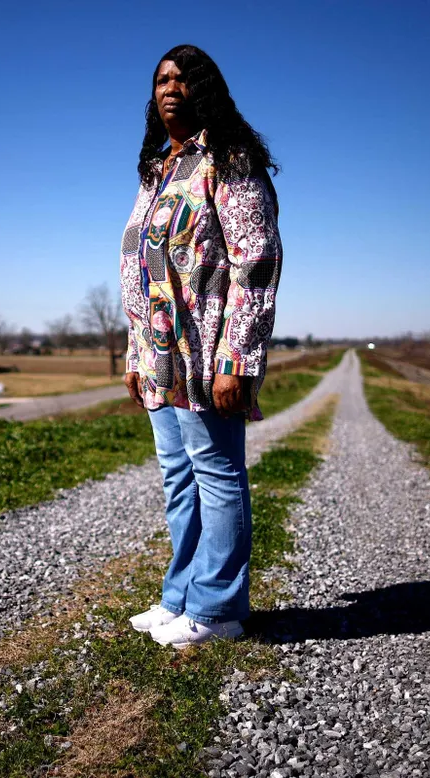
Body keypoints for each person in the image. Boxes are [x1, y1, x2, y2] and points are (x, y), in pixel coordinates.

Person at [120, 44, 282, 649]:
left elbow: (257, 261)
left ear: (205, 90)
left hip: (209, 352)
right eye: (161, 79)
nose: (169, 87)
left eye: (183, 79)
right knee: (177, 477)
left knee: (215, 473)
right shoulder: (158, 172)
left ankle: (219, 609)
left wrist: (239, 357)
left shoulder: (230, 161)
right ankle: (180, 597)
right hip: (161, 356)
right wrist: (137, 354)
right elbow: (143, 268)